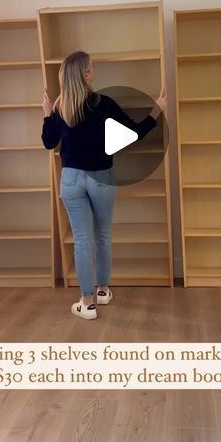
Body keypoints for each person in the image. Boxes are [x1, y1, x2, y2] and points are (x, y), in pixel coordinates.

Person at [41, 50, 167, 320]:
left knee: (82, 241)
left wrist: (47, 114)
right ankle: (102, 291)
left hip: (71, 179)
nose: (93, 71)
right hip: (101, 177)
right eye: (92, 68)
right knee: (102, 237)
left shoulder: (61, 108)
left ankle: (87, 303)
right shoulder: (104, 103)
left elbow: (49, 143)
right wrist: (157, 110)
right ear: (86, 74)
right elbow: (134, 133)